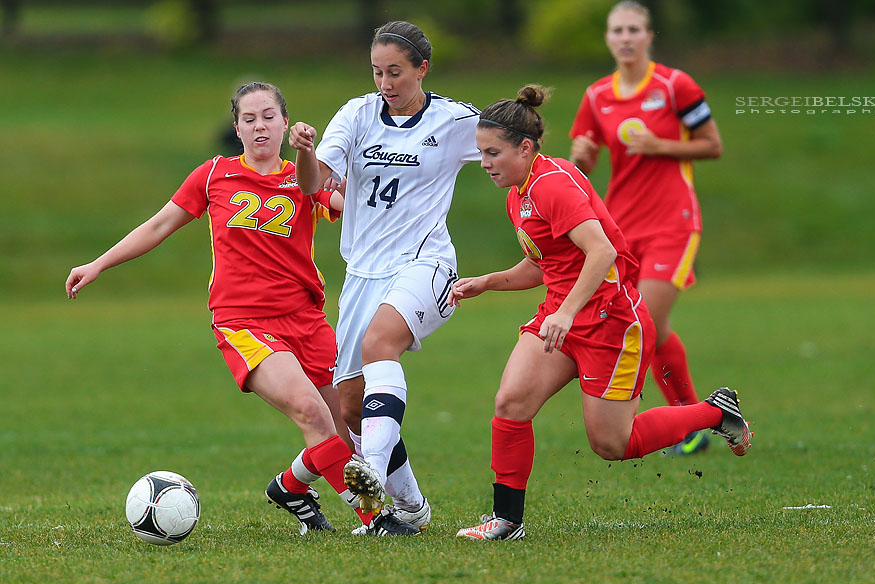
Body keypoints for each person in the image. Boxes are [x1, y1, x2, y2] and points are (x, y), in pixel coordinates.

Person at [65, 81, 415, 536]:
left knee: (345, 434)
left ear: (286, 123)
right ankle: (378, 518)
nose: (260, 126)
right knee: (311, 414)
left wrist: (337, 170)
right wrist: (98, 263)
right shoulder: (214, 175)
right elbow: (158, 226)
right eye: (249, 119)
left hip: (308, 320)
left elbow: (356, 208)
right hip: (244, 322)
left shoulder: (305, 177)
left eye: (269, 116)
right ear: (237, 128)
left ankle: (290, 487)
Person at [451, 85, 750, 541]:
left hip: (611, 322)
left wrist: (567, 313)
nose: (484, 163)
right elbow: (544, 264)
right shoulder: (519, 192)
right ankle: (507, 520)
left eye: (493, 153)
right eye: (481, 153)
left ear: (525, 148)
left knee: (613, 444)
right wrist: (488, 282)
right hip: (562, 316)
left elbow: (602, 252)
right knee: (511, 403)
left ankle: (714, 413)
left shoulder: (552, 184)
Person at [290, 20, 481, 534]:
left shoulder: (453, 120)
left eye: (395, 72)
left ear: (422, 69)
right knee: (351, 406)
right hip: (362, 273)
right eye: (377, 72)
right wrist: (304, 151)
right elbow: (311, 184)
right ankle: (411, 508)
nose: (385, 82)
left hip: (426, 263)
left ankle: (370, 468)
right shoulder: (356, 114)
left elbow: (510, 143)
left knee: (380, 344)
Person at [569, 1, 724, 456]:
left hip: (674, 222)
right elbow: (583, 164)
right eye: (617, 30)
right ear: (608, 38)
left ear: (649, 36)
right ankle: (692, 417)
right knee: (652, 326)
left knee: (647, 322)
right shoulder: (597, 95)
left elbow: (712, 145)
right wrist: (581, 158)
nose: (625, 38)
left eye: (634, 29)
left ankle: (687, 423)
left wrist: (661, 145)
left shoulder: (675, 86)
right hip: (620, 226)